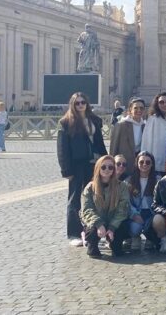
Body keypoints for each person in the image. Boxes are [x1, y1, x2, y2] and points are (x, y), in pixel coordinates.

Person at [57, 92, 107, 246]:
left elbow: (99, 143)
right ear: (72, 104)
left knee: (96, 197)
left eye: (82, 102)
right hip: (77, 165)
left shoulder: (94, 120)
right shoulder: (65, 122)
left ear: (87, 104)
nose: (80, 105)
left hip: (95, 164)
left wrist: (106, 160)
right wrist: (66, 170)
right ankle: (74, 233)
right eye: (77, 103)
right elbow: (62, 148)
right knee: (75, 200)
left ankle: (95, 231)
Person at [79, 156, 131, 258]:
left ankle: (114, 244)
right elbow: (87, 210)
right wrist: (99, 224)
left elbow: (122, 210)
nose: (107, 170)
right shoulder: (90, 187)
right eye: (103, 167)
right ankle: (91, 244)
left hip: (114, 221)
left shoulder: (122, 186)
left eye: (110, 167)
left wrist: (112, 227)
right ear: (98, 168)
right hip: (97, 222)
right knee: (93, 249)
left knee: (118, 251)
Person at [126, 151, 159, 251]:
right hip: (137, 211)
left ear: (152, 164)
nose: (144, 164)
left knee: (153, 225)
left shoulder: (158, 180)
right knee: (135, 228)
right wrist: (134, 214)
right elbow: (127, 202)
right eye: (141, 162)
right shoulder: (129, 181)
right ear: (137, 163)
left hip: (151, 212)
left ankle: (150, 238)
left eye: (148, 162)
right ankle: (135, 237)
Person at [109, 98, 145, 177]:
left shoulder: (145, 126)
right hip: (123, 166)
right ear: (130, 110)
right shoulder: (121, 125)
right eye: (136, 108)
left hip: (140, 166)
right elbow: (114, 147)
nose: (139, 110)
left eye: (141, 108)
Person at [142, 92, 166, 175]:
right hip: (156, 162)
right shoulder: (152, 119)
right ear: (157, 104)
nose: (165, 104)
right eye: (161, 102)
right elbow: (146, 142)